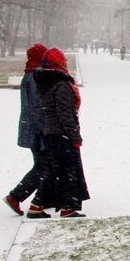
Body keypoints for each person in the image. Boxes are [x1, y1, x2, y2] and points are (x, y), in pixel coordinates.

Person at [29, 48, 89, 218]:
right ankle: (67, 207)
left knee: (56, 171)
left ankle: (38, 205)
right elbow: (65, 114)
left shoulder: (47, 82)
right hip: (61, 133)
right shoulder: (61, 84)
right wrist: (75, 136)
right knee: (67, 171)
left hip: (52, 131)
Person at [3, 43, 50, 215]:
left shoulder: (30, 75)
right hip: (38, 131)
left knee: (44, 164)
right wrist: (47, 129)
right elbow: (37, 108)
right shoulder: (35, 77)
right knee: (44, 165)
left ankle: (44, 199)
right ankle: (16, 196)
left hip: (32, 129)